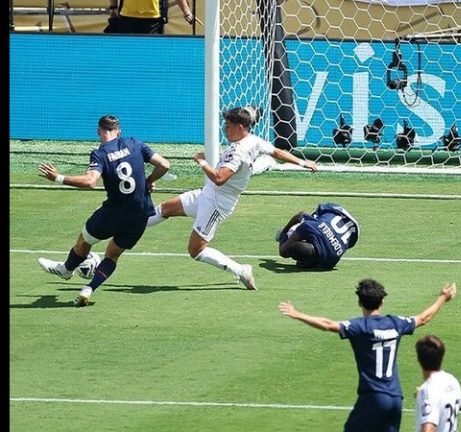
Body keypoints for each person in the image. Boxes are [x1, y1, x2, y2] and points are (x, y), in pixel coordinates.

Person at [146, 106, 317, 290]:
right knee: (166, 209)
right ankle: (127, 228)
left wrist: (202, 162)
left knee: (195, 250)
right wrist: (302, 162)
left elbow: (219, 178)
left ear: (240, 127)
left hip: (216, 204)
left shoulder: (237, 152)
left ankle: (241, 270)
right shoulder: (254, 140)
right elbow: (277, 152)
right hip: (207, 194)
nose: (225, 130)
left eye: (228, 126)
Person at [278, 279, 458, 432]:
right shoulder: (396, 323)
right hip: (395, 398)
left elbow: (327, 324)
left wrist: (297, 314)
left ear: (359, 303)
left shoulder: (360, 327)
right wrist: (443, 297)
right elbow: (424, 318)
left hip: (372, 397)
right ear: (382, 302)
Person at [37, 115, 171, 306]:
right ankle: (89, 289)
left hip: (114, 213)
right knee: (113, 255)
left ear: (99, 131)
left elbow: (90, 181)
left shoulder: (100, 153)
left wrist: (58, 177)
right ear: (119, 131)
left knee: (85, 239)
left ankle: (66, 269)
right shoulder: (135, 143)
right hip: (141, 213)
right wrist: (149, 180)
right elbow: (165, 164)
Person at [275, 202, 360, 270]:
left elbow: (283, 252)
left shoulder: (330, 262)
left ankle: (291, 233)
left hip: (353, 233)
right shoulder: (308, 227)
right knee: (305, 225)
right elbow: (300, 216)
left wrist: (285, 232)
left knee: (296, 229)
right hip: (334, 211)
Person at [414, 335, 461, 432]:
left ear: (418, 359)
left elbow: (428, 429)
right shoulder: (451, 380)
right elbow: (460, 404)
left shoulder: (427, 391)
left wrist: (425, 398)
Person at [104, 0, 196, 34]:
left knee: (151, 55)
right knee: (127, 54)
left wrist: (187, 12)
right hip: (127, 18)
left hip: (153, 21)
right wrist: (113, 6)